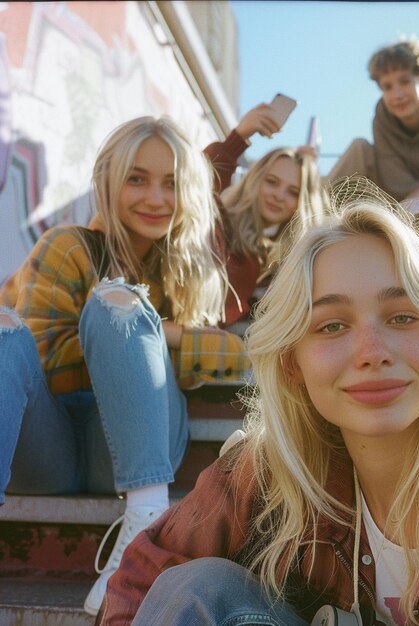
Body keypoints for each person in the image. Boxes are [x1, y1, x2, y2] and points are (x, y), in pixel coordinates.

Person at [97, 186, 419, 625]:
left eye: (402, 317)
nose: (372, 353)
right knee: (197, 589)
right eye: (331, 325)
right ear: (292, 364)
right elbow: (143, 577)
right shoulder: (264, 473)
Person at [0, 116, 250, 616]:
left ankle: (145, 516)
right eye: (138, 178)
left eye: (173, 183)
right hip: (50, 447)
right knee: (8, 329)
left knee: (118, 302)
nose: (156, 197)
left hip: (141, 453)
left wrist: (146, 331)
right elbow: (41, 360)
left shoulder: (189, 274)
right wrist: (136, 343)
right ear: (109, 181)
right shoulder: (69, 245)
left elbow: (233, 354)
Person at [204, 103, 328, 333]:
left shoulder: (297, 256)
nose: (279, 196)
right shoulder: (221, 225)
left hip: (261, 358)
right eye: (272, 182)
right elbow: (195, 187)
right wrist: (239, 137)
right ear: (255, 179)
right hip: (203, 341)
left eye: (293, 192)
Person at [327, 37, 419, 205]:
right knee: (359, 147)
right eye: (387, 87)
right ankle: (322, 217)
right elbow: (394, 179)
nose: (397, 95)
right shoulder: (381, 122)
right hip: (398, 199)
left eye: (405, 82)